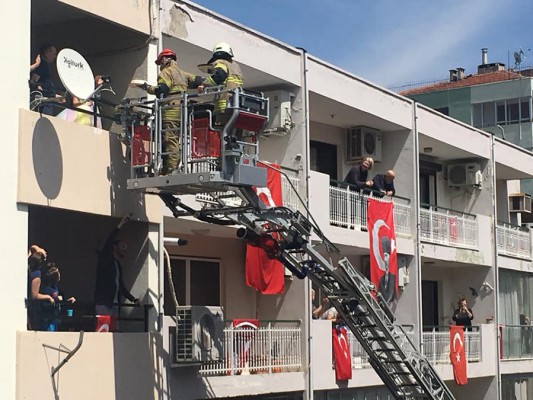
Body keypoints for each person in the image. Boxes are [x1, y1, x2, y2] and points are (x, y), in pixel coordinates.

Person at [138, 48, 203, 175]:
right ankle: (169, 167)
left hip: (170, 111)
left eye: (160, 62)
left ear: (163, 59)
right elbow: (198, 80)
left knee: (170, 139)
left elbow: (162, 90)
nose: (160, 65)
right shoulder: (182, 74)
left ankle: (172, 169)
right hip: (183, 113)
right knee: (174, 139)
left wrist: (147, 88)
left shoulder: (166, 73)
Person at [94, 215, 140, 318]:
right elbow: (109, 241)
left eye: (126, 247)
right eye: (123, 246)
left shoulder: (117, 265)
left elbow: (121, 286)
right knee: (103, 331)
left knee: (114, 332)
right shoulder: (105, 259)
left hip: (114, 305)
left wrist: (133, 299)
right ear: (115, 247)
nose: (125, 249)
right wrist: (121, 224)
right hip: (103, 303)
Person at [199, 42, 244, 125]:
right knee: (234, 134)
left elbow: (220, 75)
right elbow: (228, 83)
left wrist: (204, 84)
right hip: (238, 105)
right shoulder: (235, 66)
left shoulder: (220, 62)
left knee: (222, 134)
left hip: (224, 108)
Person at [38, 263, 76, 331]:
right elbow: (45, 304)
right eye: (58, 273)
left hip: (55, 318)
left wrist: (67, 301)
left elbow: (59, 301)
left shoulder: (55, 288)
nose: (59, 275)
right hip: (48, 320)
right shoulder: (47, 289)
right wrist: (55, 299)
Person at [29, 43, 62, 115]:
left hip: (47, 101)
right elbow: (34, 81)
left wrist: (54, 95)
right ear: (47, 53)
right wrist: (37, 87)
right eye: (53, 53)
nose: (54, 56)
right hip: (43, 104)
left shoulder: (44, 65)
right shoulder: (42, 65)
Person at [27, 250, 54, 330]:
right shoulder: (36, 275)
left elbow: (32, 248)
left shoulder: (28, 268)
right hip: (33, 309)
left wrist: (40, 251)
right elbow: (34, 295)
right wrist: (48, 297)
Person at [377, 236, 396, 303]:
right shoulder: (376, 274)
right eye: (382, 255)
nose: (384, 259)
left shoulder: (393, 275)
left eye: (386, 256)